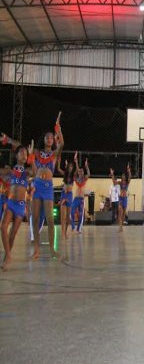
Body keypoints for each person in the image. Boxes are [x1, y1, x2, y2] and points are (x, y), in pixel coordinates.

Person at [2, 114, 64, 259]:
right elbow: (20, 147)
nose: (49, 138)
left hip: (48, 188)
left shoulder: (54, 154)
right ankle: (36, 249)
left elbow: (62, 144)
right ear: (43, 140)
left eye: (51, 137)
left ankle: (52, 250)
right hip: (37, 186)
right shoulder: (36, 153)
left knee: (50, 219)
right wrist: (8, 140)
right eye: (47, 137)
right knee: (35, 220)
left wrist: (58, 130)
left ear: (53, 140)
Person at [0, 142, 34, 270]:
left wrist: (32, 158)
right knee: (3, 227)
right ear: (16, 155)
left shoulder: (27, 171)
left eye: (26, 153)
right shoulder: (11, 170)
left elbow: (36, 172)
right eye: (22, 152)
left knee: (13, 234)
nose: (24, 154)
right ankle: (8, 255)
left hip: (20, 206)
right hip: (10, 203)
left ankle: (6, 257)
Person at [71, 155, 90, 234]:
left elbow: (88, 173)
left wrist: (86, 166)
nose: (81, 172)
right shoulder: (76, 178)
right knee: (72, 212)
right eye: (79, 171)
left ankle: (79, 228)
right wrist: (76, 162)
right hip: (76, 198)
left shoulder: (84, 178)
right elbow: (76, 171)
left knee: (81, 215)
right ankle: (73, 226)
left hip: (81, 199)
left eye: (82, 171)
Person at [57, 157, 75, 239]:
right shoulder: (64, 174)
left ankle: (65, 232)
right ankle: (63, 234)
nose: (71, 168)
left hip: (70, 196)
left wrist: (76, 161)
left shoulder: (73, 176)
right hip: (63, 195)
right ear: (67, 167)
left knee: (68, 217)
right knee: (63, 217)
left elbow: (78, 171)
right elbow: (58, 168)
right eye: (69, 167)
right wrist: (59, 161)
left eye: (72, 167)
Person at [110, 164, 131, 232]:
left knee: (123, 215)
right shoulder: (120, 182)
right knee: (120, 212)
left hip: (125, 199)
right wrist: (112, 174)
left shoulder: (127, 182)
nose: (123, 176)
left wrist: (129, 171)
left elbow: (130, 176)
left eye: (124, 175)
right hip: (120, 199)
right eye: (122, 175)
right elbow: (114, 182)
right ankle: (120, 227)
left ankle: (121, 226)